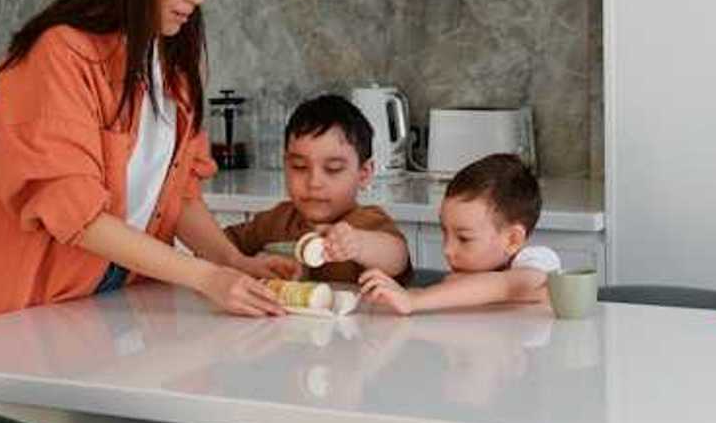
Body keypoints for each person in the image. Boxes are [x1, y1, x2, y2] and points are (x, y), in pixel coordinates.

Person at [0, 0, 287, 323]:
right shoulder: (57, 55)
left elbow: (179, 197)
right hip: (35, 311)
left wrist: (233, 263)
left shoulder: (170, 62)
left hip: (120, 301)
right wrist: (207, 277)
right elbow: (77, 214)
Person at [222, 94, 412, 285]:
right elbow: (218, 245)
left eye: (333, 169)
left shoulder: (368, 222)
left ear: (363, 173)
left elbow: (398, 257)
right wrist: (247, 264)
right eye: (299, 166)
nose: (314, 182)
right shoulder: (276, 220)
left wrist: (357, 244)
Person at [359, 153, 561, 315]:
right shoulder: (460, 282)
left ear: (513, 239)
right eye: (444, 232)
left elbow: (507, 286)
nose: (447, 250)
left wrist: (414, 300)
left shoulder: (538, 262)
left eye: (464, 238)